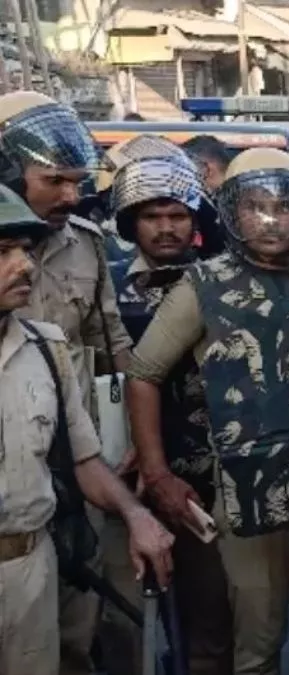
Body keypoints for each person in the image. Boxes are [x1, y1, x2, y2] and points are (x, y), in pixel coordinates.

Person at [125, 148, 289, 674]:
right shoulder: (203, 284)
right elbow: (143, 373)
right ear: (232, 212)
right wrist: (157, 473)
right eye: (255, 207)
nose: (270, 220)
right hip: (245, 491)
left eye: (283, 207)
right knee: (257, 642)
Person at [0, 181, 174, 675]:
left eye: (26, 250)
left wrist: (136, 516)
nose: (25, 265)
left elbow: (83, 458)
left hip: (31, 570)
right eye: (4, 252)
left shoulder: (47, 349)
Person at [0, 89, 134, 675]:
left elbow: (111, 348)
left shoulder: (87, 243)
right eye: (53, 181)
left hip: (75, 473)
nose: (71, 197)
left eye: (77, 183)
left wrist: (129, 440)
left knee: (74, 637)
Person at [104, 152, 233, 674]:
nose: (165, 227)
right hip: (121, 473)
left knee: (211, 620)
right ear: (130, 222)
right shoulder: (108, 286)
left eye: (177, 215)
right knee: (125, 621)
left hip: (204, 476)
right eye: (151, 216)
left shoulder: (222, 280)